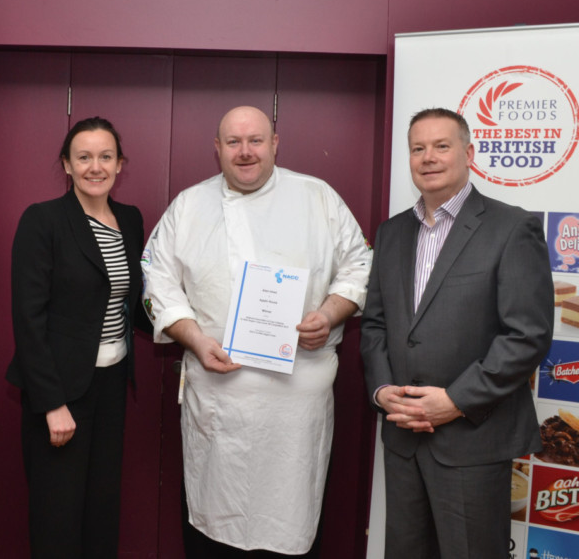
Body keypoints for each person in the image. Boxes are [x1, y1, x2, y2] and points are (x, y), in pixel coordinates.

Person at [141, 106, 372, 557]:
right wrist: (194, 339)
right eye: (233, 142)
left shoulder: (318, 198)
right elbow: (156, 280)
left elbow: (361, 263)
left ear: (275, 143)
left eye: (256, 140)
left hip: (296, 409)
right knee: (215, 526)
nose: (245, 152)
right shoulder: (188, 206)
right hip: (220, 401)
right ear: (217, 148)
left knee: (290, 525)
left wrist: (329, 314)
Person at [360, 108, 554, 559]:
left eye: (441, 146)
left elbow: (526, 335)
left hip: (473, 439)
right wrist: (383, 388)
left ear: (468, 153)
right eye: (418, 148)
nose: (428, 157)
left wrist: (455, 401)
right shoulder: (391, 233)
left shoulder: (512, 228)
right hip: (403, 438)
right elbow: (375, 324)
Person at [6, 117, 147, 558]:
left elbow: (136, 300)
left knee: (101, 511)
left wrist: (197, 326)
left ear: (120, 164)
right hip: (60, 391)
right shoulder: (43, 220)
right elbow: (27, 320)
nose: (95, 167)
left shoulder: (130, 219)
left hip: (111, 384)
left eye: (105, 157)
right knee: (57, 519)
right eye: (83, 157)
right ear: (66, 165)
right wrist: (51, 404)